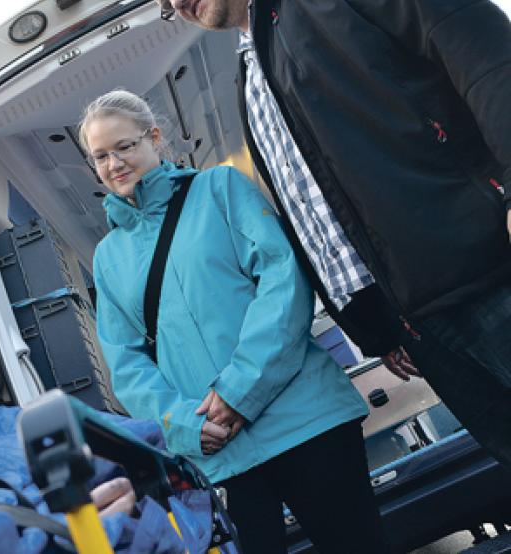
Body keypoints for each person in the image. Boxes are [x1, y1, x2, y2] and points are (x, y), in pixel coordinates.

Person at [160, 0, 511, 469]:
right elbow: (318, 210)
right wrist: (374, 327)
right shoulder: (249, 73)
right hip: (420, 323)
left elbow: (478, 47)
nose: (174, 2)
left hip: (489, 269)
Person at [85, 90, 388, 554]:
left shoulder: (220, 189)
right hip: (218, 453)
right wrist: (184, 424)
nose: (115, 164)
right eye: (101, 156)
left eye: (124, 146)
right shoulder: (107, 258)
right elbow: (125, 363)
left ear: (155, 137)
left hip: (304, 420)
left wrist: (238, 391)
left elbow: (284, 281)